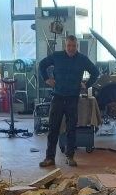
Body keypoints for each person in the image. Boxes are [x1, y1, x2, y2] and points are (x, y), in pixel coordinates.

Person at [38, 35, 99, 167]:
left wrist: (87, 84)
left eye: (73, 46)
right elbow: (42, 65)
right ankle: (50, 158)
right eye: (69, 46)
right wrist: (46, 79)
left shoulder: (82, 59)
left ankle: (70, 157)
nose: (71, 48)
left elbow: (95, 72)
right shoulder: (57, 56)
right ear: (65, 46)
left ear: (77, 46)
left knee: (71, 129)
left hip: (72, 98)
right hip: (58, 97)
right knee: (53, 128)